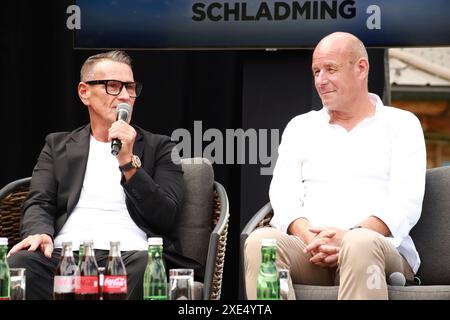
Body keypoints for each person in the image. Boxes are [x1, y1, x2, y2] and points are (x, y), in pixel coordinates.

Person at [244, 32, 426, 300]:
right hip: (310, 251)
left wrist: (348, 237)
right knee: (262, 243)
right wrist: (311, 240)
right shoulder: (301, 127)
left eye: (331, 69)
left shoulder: (401, 124)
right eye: (316, 71)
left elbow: (405, 202)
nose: (321, 80)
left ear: (361, 68)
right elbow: (284, 195)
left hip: (377, 249)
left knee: (359, 243)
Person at [7, 50, 202, 299]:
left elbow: (165, 216)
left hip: (133, 256)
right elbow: (39, 200)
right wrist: (40, 232)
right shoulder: (57, 145)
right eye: (113, 86)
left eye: (130, 88)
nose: (124, 96)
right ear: (84, 92)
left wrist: (128, 163)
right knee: (19, 265)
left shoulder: (162, 147)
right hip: (67, 255)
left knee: (148, 269)